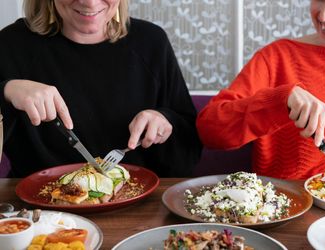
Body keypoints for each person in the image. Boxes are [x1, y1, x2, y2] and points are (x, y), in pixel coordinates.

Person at [197, 0, 325, 179]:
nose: (324, 14)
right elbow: (210, 130)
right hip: (294, 213)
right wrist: (279, 100)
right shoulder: (276, 58)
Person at [0, 0, 202, 177]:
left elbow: (186, 151)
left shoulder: (151, 42)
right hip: (37, 210)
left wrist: (164, 121)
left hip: (138, 204)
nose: (90, 3)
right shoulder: (12, 43)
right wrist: (6, 91)